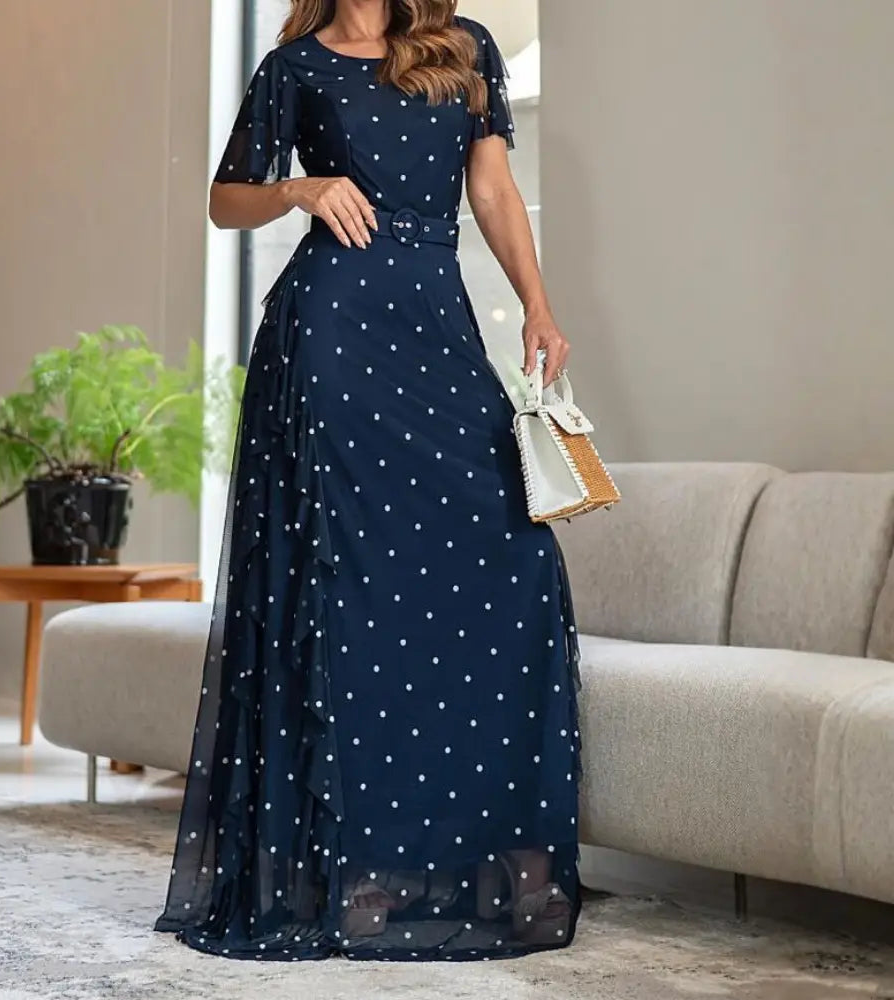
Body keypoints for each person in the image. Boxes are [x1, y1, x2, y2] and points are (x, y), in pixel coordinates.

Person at [155, 0, 582, 961]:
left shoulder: (462, 46)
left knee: (514, 560)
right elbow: (226, 199)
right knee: (344, 593)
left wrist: (538, 306)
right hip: (330, 338)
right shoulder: (295, 66)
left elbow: (493, 191)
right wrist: (301, 190)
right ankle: (356, 873)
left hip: (435, 325)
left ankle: (469, 858)